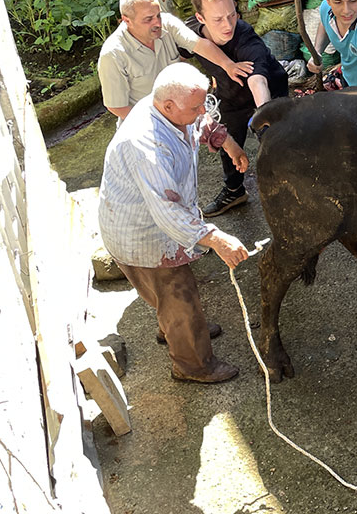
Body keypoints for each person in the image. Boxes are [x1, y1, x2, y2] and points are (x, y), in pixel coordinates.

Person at [98, 62, 250, 384]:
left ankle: (177, 328)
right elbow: (168, 212)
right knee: (178, 292)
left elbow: (201, 119)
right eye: (195, 106)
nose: (201, 111)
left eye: (202, 102)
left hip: (149, 222)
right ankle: (192, 364)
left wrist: (228, 142)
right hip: (141, 234)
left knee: (166, 297)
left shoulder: (173, 108)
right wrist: (217, 239)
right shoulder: (146, 144)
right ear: (168, 106)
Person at [183, 0, 287, 217]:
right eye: (218, 19)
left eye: (232, 15)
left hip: (270, 89)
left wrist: (268, 122)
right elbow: (179, 56)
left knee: (278, 140)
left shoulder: (246, 38)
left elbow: (258, 81)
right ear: (200, 19)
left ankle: (293, 184)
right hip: (230, 95)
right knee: (228, 142)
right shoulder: (189, 33)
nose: (228, 25)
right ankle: (234, 191)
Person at [97, 0, 253, 120]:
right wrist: (159, 124)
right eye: (148, 19)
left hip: (181, 111)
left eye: (158, 15)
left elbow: (199, 44)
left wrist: (228, 65)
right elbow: (116, 106)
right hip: (146, 122)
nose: (157, 23)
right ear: (126, 21)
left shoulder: (166, 23)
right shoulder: (113, 55)